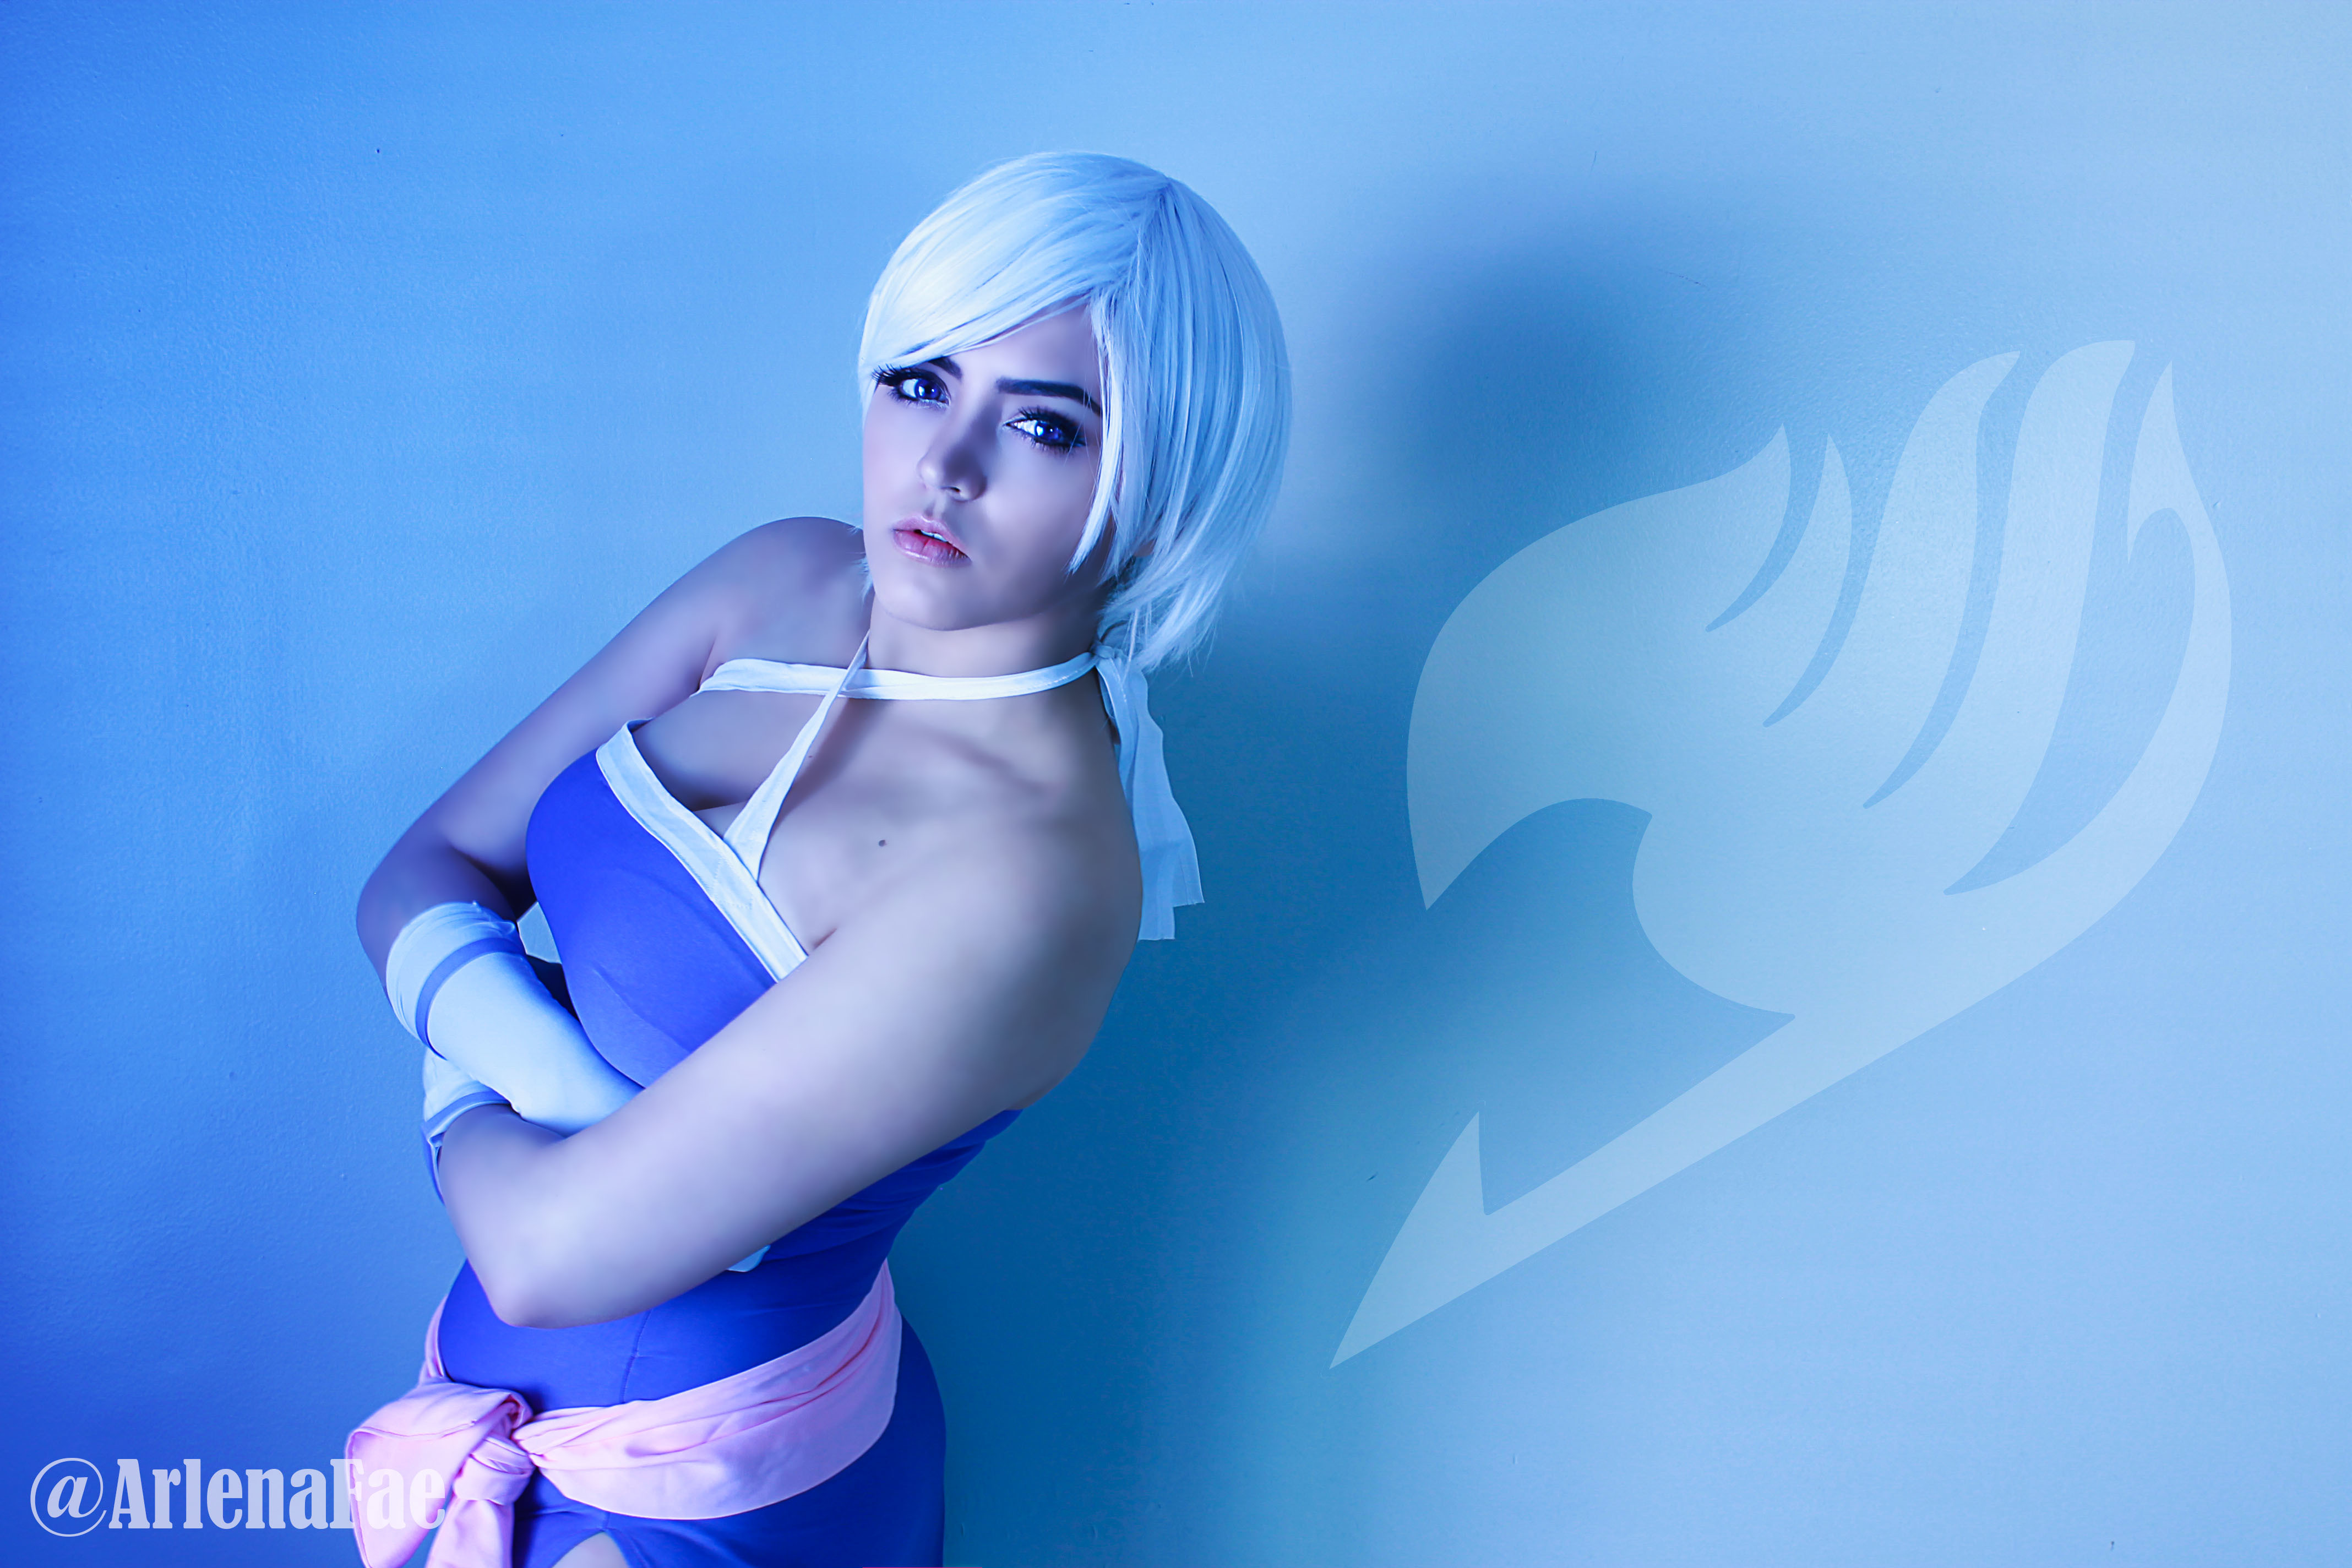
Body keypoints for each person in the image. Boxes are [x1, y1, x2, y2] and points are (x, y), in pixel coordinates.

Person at [345, 151, 1289, 1568]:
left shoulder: (1031, 876)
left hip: (705, 1495)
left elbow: (542, 1258)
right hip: (494, 1414)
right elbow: (416, 869)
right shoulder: (776, 580)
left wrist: (458, 1025)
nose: (945, 465)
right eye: (920, 381)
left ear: (1158, 501)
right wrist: (561, 1093)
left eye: (1044, 425)